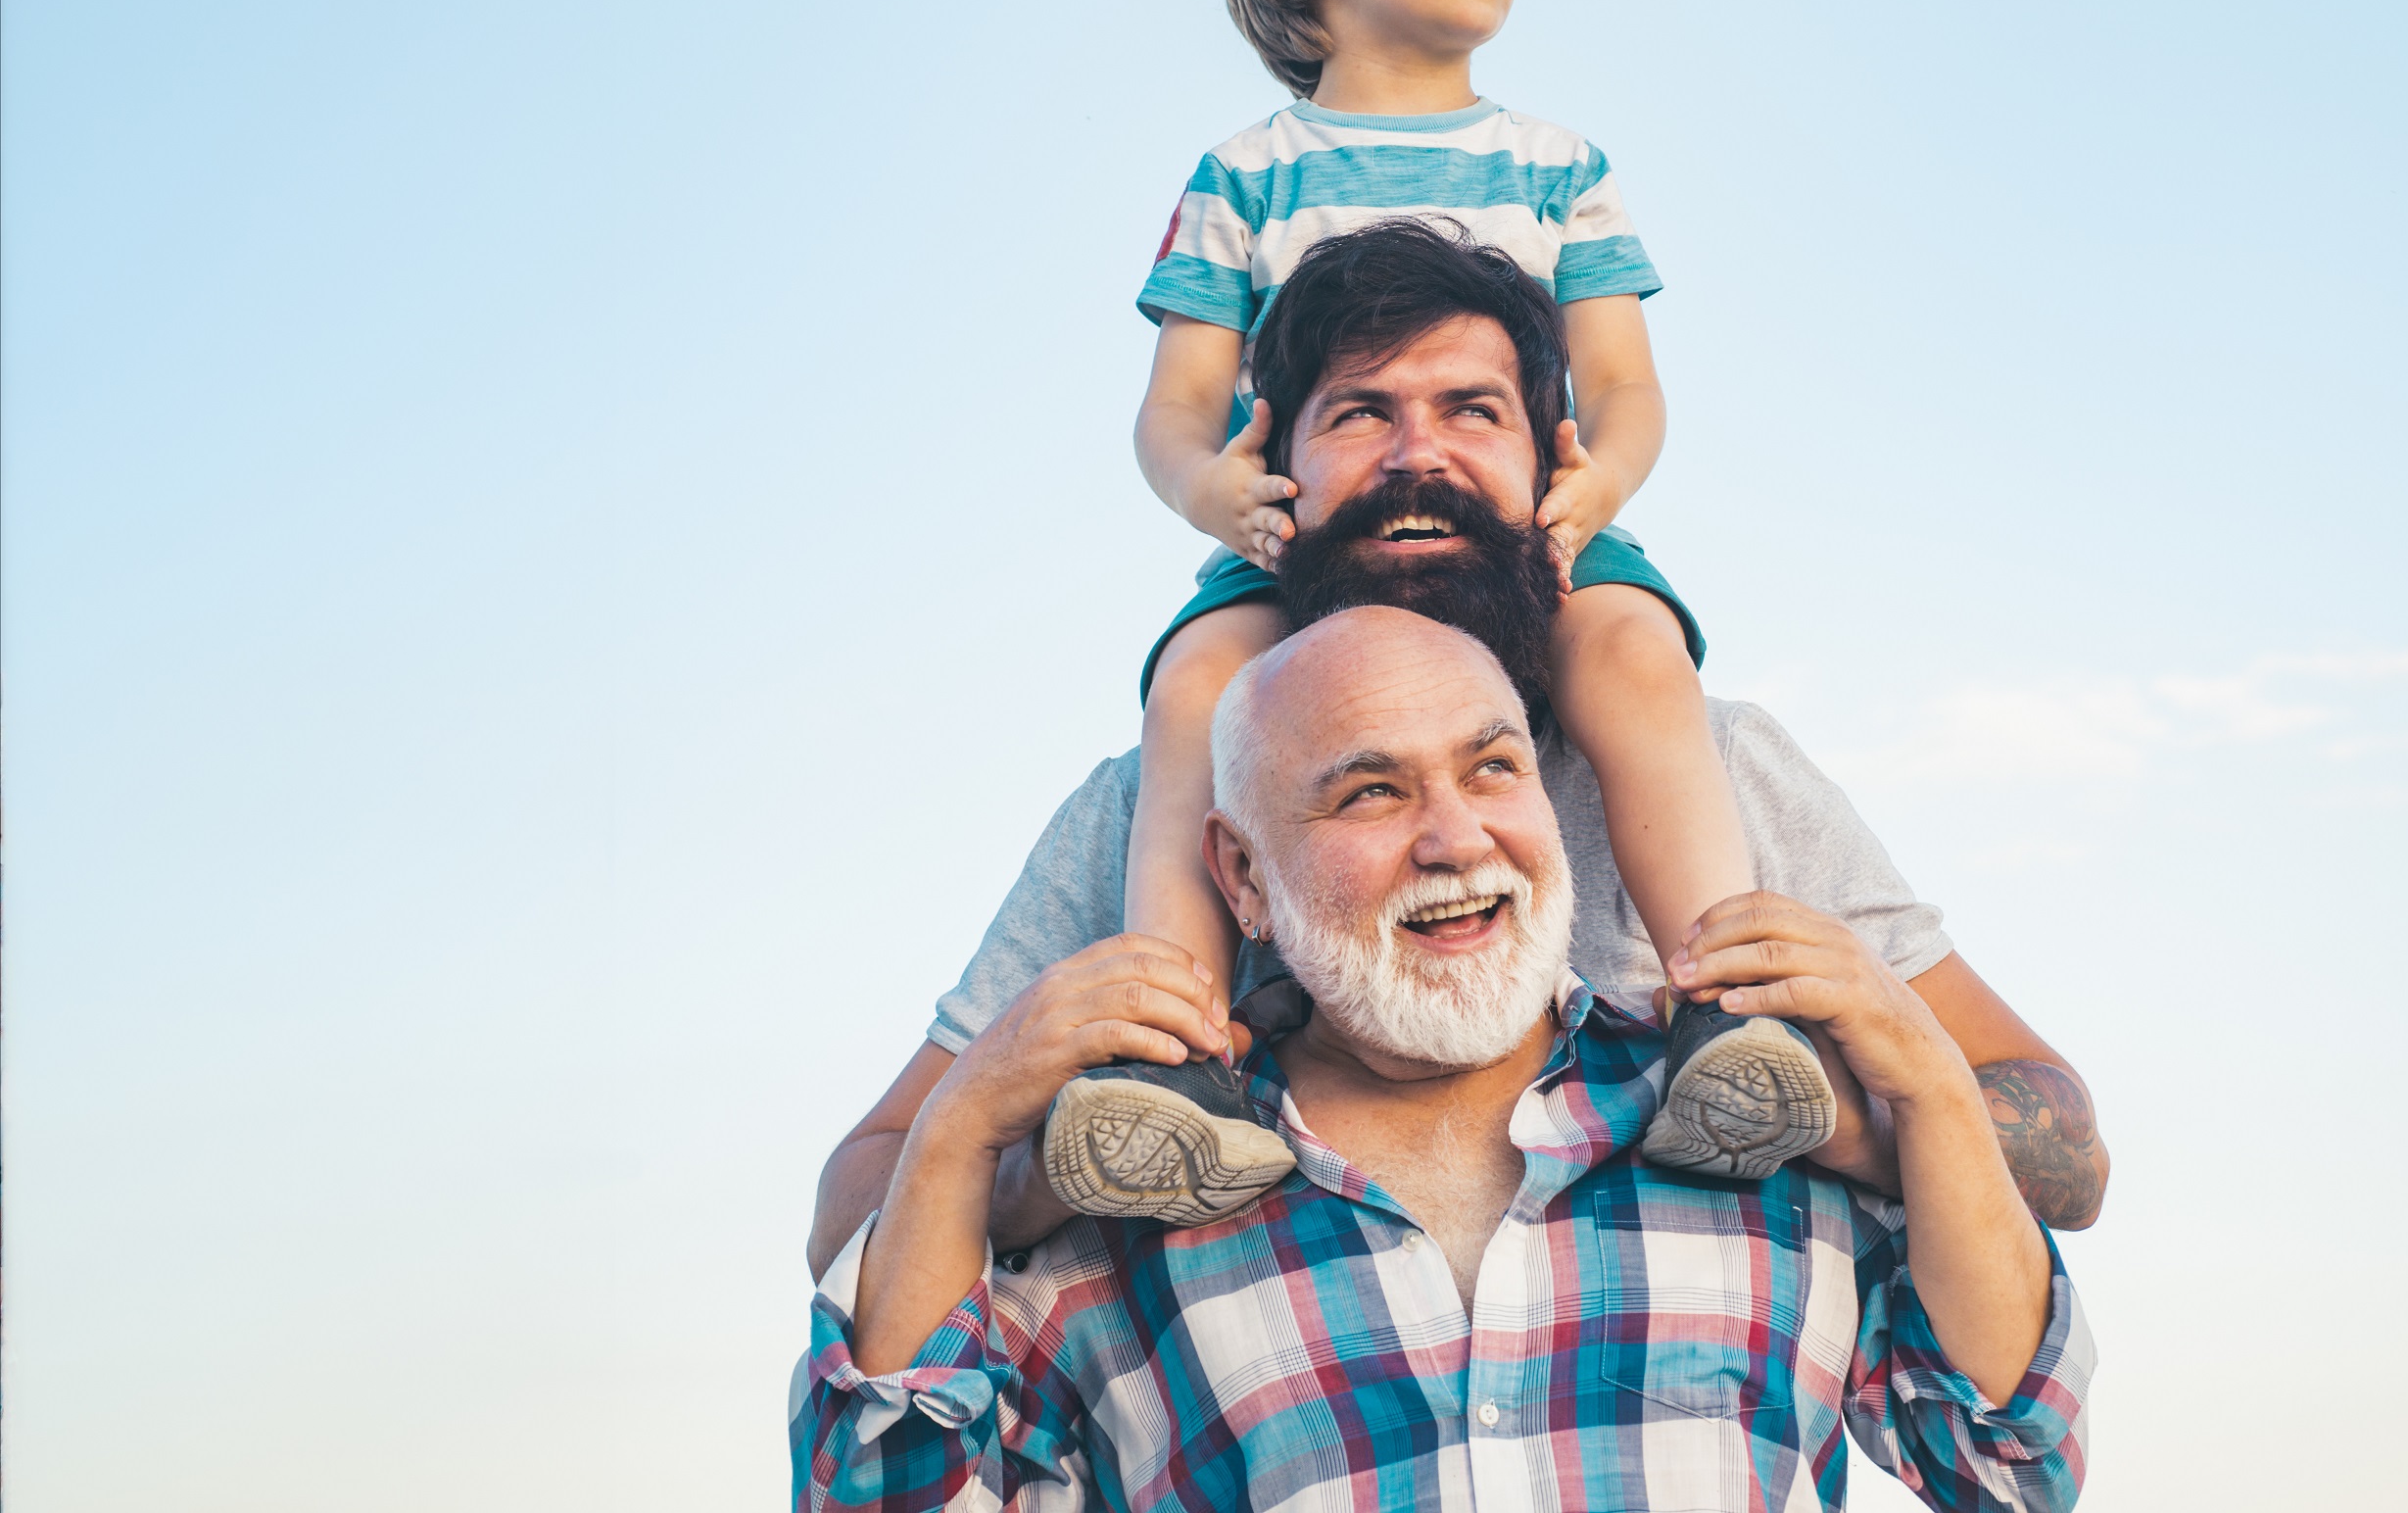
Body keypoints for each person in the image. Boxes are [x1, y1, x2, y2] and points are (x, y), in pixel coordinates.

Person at [808, 220, 2111, 1270]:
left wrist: (1856, 1108)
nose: (1415, 455)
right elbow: (848, 1219)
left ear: (1554, 460)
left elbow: (2069, 1157)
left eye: (1470, 411)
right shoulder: (1148, 809)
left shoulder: (1725, 776)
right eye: (1359, 415)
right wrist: (1038, 1156)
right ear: (1277, 470)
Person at [793, 607, 2093, 1512]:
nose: (1455, 837)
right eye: (1371, 792)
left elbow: (2006, 1464)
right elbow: (882, 1498)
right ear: (1240, 875)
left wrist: (1921, 1075)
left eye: (1494, 771)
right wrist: (962, 1123)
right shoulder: (1119, 1217)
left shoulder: (1758, 1133)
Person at [1087, 0, 1836, 1216]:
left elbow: (1622, 384)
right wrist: (1211, 500)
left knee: (1631, 650)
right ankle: (1174, 1064)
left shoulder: (1559, 166)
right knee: (1194, 687)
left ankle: (1723, 1017)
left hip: (1528, 530)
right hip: (1304, 541)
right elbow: (1176, 408)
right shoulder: (1246, 172)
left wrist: (1597, 486)